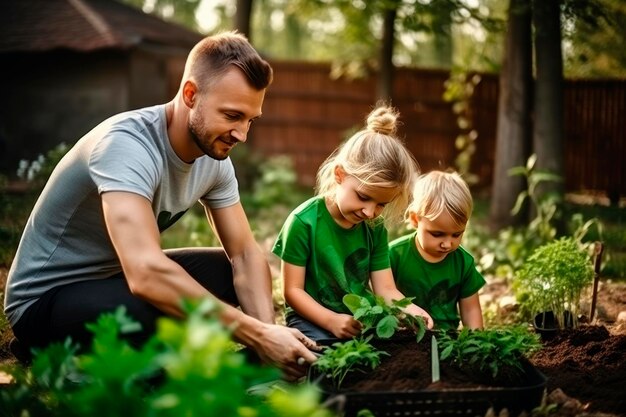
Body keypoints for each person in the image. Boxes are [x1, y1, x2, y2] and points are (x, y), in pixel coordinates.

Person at [3, 31, 318, 378]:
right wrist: (255, 333)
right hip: (45, 302)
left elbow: (245, 254)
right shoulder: (125, 146)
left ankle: (252, 367)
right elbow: (145, 272)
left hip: (111, 280)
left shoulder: (214, 160)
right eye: (232, 116)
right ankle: (69, 358)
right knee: (147, 310)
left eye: (250, 120)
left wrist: (267, 335)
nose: (242, 134)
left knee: (229, 270)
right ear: (190, 94)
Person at [272, 103, 434, 342]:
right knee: (322, 361)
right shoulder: (304, 222)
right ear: (340, 175)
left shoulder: (375, 228)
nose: (370, 212)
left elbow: (385, 289)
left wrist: (409, 309)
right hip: (311, 319)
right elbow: (292, 291)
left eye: (381, 205)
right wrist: (331, 320)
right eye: (363, 197)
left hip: (360, 316)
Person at [389, 170, 485, 331]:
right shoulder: (394, 254)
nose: (447, 244)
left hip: (446, 339)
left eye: (457, 234)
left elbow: (471, 309)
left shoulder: (463, 262)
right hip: (403, 336)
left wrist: (477, 342)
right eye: (437, 234)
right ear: (415, 219)